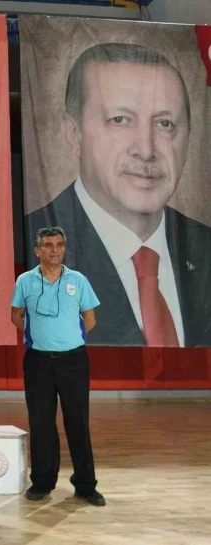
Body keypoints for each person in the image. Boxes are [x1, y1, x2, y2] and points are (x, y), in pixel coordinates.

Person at [25, 42, 211, 347]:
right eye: (120, 120)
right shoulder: (24, 245)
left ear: (189, 137)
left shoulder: (205, 248)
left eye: (165, 124)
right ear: (74, 134)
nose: (146, 150)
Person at [11, 226, 105, 507]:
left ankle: (86, 485)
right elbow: (16, 316)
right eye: (49, 245)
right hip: (38, 361)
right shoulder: (25, 281)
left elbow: (90, 319)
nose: (55, 250)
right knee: (41, 422)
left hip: (73, 361)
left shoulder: (78, 280)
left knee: (78, 422)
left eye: (60, 244)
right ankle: (42, 482)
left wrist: (67, 339)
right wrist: (41, 336)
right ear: (37, 250)